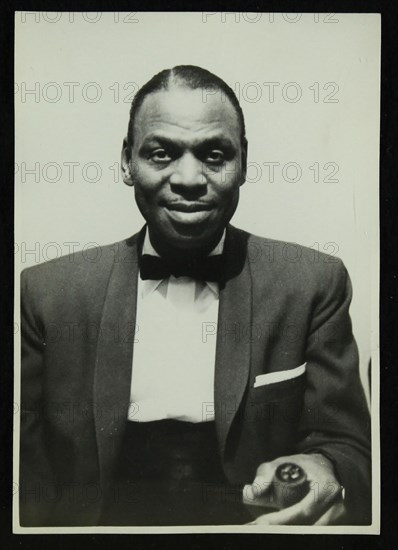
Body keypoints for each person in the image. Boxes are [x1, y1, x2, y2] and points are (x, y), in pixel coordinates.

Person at [19, 65, 371, 527]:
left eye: (214, 154)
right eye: (161, 153)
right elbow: (21, 468)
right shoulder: (45, 294)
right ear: (127, 162)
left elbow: (348, 447)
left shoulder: (313, 284)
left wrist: (323, 468)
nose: (189, 178)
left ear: (243, 161)